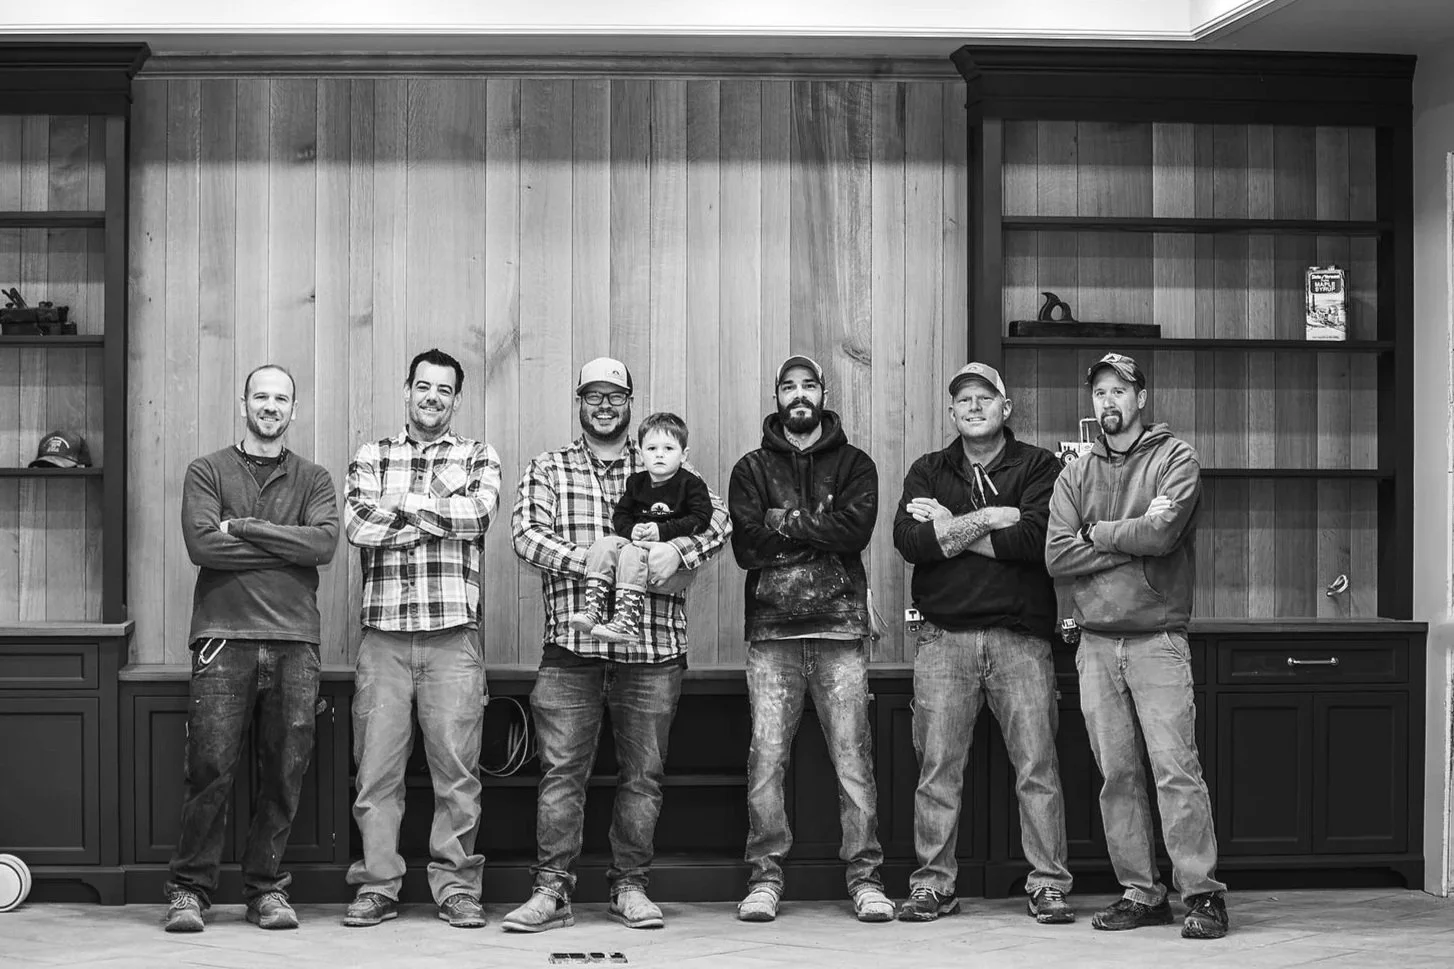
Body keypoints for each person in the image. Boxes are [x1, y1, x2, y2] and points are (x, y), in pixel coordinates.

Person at [506, 356, 731, 933]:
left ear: (630, 403)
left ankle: (629, 887)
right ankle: (551, 890)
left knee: (642, 778)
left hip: (652, 652)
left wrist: (676, 553)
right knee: (561, 776)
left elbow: (719, 521)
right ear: (578, 402)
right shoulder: (549, 468)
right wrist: (603, 565)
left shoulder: (664, 460)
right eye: (593, 396)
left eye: (615, 396)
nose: (604, 406)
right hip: (570, 649)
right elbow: (527, 536)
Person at [1045, 352, 1229, 940]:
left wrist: (1095, 533)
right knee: (1116, 775)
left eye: (1119, 391)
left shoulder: (1175, 457)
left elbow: (1164, 531)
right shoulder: (1075, 473)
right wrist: (1135, 540)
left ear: (1141, 398)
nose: (1109, 402)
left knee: (1177, 771)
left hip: (1158, 641)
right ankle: (1142, 892)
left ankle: (1202, 895)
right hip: (1096, 645)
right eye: (1099, 392)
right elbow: (1055, 554)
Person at [892, 362, 1074, 925]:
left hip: (1022, 642)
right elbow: (912, 541)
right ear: (952, 412)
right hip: (943, 642)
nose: (974, 406)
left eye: (985, 397)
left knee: (1038, 768)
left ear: (1005, 408)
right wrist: (989, 517)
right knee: (937, 769)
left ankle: (1048, 883)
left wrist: (953, 526)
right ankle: (933, 885)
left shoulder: (1040, 465)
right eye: (963, 399)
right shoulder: (929, 468)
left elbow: (1033, 540)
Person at [163, 364, 339, 933]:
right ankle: (189, 891)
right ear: (244, 404)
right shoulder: (206, 470)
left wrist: (245, 529)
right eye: (260, 396)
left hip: (295, 644)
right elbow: (202, 546)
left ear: (295, 408)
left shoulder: (314, 478)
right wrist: (284, 547)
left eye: (281, 397)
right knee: (209, 769)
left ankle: (266, 890)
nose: (271, 405)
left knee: (284, 773)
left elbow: (323, 545)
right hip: (222, 641)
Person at [726, 354, 893, 924]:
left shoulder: (855, 464)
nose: (799, 394)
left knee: (853, 758)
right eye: (788, 387)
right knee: (766, 759)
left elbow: (855, 531)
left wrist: (783, 521)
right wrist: (816, 532)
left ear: (823, 392)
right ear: (776, 396)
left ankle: (866, 878)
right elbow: (747, 548)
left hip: (840, 631)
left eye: (808, 385)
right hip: (771, 634)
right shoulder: (750, 468)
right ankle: (765, 878)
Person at [342, 348, 502, 930]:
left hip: (453, 638)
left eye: (445, 389)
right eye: (424, 387)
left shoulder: (479, 455)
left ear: (456, 399)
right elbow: (359, 527)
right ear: (406, 390)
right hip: (382, 638)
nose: (433, 397)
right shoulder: (371, 453)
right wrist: (436, 512)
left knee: (457, 774)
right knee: (376, 772)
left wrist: (402, 505)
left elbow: (477, 518)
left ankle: (457, 886)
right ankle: (378, 884)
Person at [568, 411, 715, 643]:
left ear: (683, 455)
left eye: (668, 449)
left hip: (672, 568)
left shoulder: (691, 484)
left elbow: (701, 518)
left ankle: (626, 622)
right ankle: (592, 610)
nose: (659, 455)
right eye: (652, 449)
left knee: (631, 552)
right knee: (605, 545)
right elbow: (621, 516)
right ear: (641, 453)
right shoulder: (636, 483)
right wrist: (630, 530)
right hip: (637, 545)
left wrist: (663, 532)